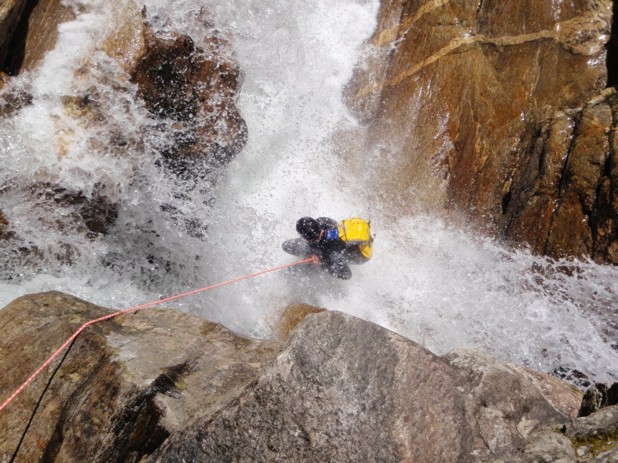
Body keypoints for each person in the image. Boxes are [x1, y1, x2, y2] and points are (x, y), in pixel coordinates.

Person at [282, 216, 372, 280]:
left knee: (307, 268)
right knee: (287, 246)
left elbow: (347, 275)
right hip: (323, 248)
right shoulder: (322, 221)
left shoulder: (333, 252)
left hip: (342, 253)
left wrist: (322, 264)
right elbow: (286, 245)